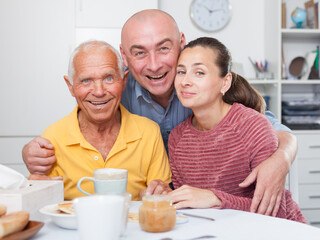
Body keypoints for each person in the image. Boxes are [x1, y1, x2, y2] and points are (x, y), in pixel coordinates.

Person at [22, 9, 297, 216]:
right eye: (140, 53)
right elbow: (80, 124)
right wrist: (33, 153)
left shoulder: (210, 91)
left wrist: (281, 157)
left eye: (164, 48)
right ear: (125, 58)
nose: (154, 65)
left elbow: (270, 130)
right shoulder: (114, 93)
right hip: (186, 211)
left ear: (181, 43)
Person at [166, 37, 305, 223]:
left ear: (225, 82)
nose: (185, 81)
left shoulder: (253, 127)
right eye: (181, 72)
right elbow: (189, 209)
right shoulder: (177, 138)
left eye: (199, 72)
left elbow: (275, 215)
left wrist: (214, 198)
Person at [38, 40, 171, 200]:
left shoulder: (149, 132)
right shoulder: (52, 137)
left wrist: (161, 193)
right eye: (86, 80)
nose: (99, 92)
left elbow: (161, 198)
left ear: (124, 81)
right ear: (70, 86)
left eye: (108, 78)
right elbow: (41, 202)